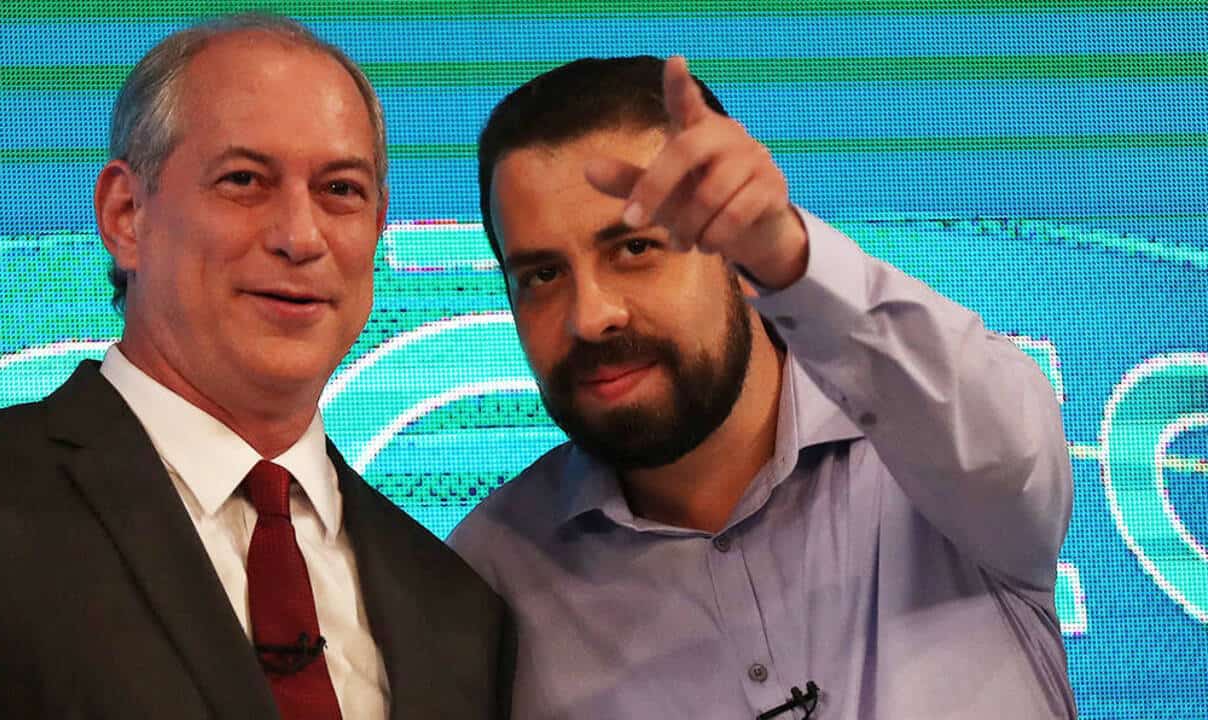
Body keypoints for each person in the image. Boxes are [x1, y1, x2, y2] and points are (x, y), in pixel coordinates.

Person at [448, 55, 1075, 719]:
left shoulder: (943, 452)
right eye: (542, 275)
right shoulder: (488, 580)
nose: (591, 314)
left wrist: (789, 254)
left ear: (735, 249)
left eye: (634, 249)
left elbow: (1004, 448)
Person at [0, 14, 513, 720]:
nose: (300, 236)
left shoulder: (459, 606)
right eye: (244, 180)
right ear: (126, 215)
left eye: (341, 190)